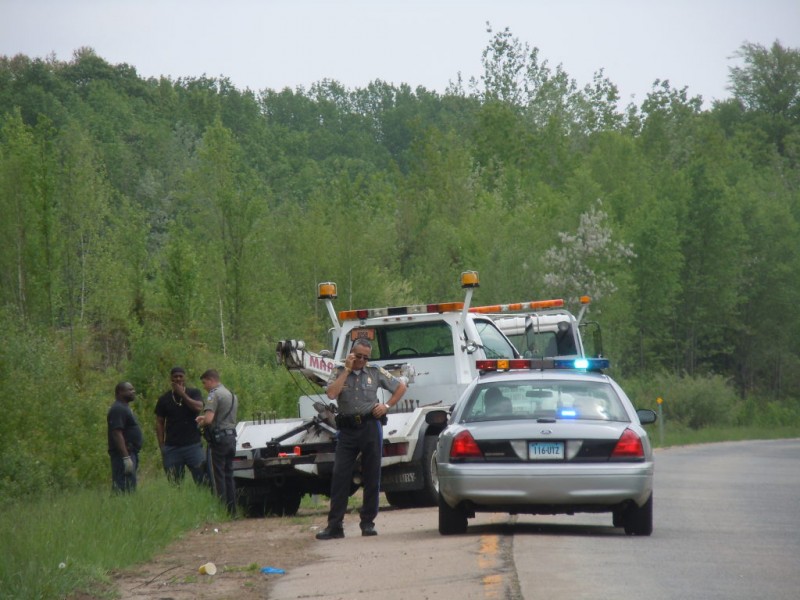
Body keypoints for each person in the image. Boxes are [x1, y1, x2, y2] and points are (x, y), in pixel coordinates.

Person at [316, 338, 407, 540]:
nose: (362, 361)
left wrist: (387, 406)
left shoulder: (374, 371)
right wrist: (347, 370)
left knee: (372, 475)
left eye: (366, 357)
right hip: (347, 430)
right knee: (340, 476)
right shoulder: (338, 371)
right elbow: (331, 393)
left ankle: (367, 523)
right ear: (350, 354)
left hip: (370, 426)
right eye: (359, 356)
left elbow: (401, 387)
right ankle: (335, 526)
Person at [196, 369, 237, 516]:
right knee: (229, 474)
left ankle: (221, 510)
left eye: (204, 382)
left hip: (219, 440)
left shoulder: (214, 394)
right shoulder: (231, 394)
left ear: (211, 380)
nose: (204, 386)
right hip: (231, 438)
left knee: (217, 475)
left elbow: (209, 419)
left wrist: (200, 423)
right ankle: (232, 511)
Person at [155, 367, 206, 484]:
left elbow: (198, 407)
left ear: (185, 378)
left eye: (180, 376)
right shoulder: (164, 399)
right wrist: (162, 446)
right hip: (172, 448)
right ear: (171, 379)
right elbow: (159, 422)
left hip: (193, 445)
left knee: (202, 479)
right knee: (175, 482)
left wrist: (182, 394)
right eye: (175, 376)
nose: (178, 378)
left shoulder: (194, 393)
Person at [107, 381, 143, 494]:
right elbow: (117, 433)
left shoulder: (124, 408)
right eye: (130, 390)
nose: (133, 392)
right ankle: (117, 508)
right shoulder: (118, 409)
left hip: (130, 452)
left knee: (130, 487)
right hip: (122, 455)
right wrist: (126, 458)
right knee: (122, 487)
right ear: (120, 392)